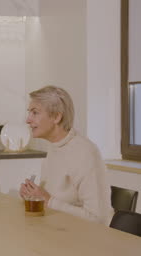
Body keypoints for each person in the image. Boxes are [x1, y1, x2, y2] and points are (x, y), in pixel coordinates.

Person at [20, 86, 112, 224]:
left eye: (35, 113)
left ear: (57, 116)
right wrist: (33, 196)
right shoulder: (54, 147)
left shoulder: (85, 153)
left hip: (85, 240)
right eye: (29, 113)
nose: (28, 120)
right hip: (58, 231)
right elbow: (54, 200)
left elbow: (99, 219)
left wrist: (48, 200)